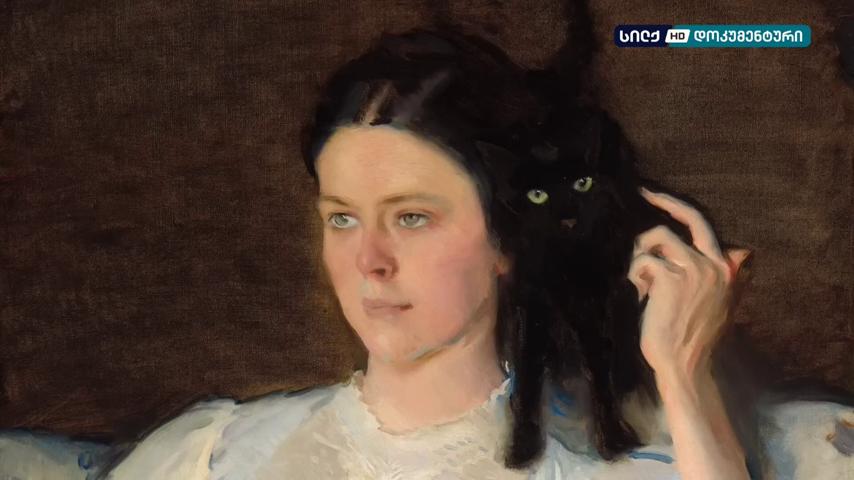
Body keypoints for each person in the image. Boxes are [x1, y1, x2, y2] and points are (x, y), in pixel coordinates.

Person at [2, 28, 852, 480]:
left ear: (508, 241)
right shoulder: (217, 456)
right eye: (342, 219)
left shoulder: (609, 466)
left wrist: (682, 371)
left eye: (411, 218)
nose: (369, 260)